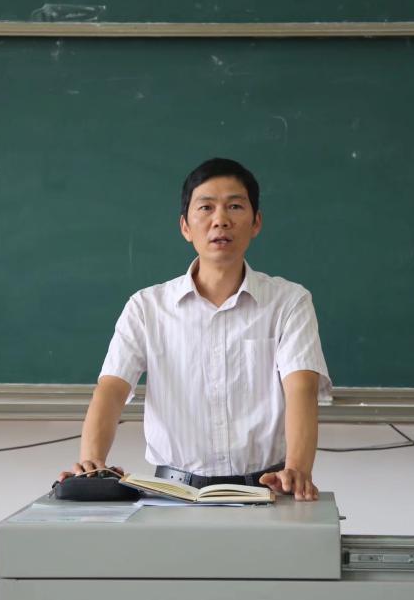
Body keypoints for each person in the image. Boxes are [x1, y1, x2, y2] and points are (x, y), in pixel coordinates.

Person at [58, 158, 331, 501]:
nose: (221, 220)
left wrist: (298, 470)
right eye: (206, 207)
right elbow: (112, 388)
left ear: (256, 222)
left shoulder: (289, 301)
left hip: (267, 491)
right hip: (170, 493)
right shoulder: (147, 307)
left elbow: (302, 388)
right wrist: (92, 463)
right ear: (186, 227)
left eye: (235, 206)